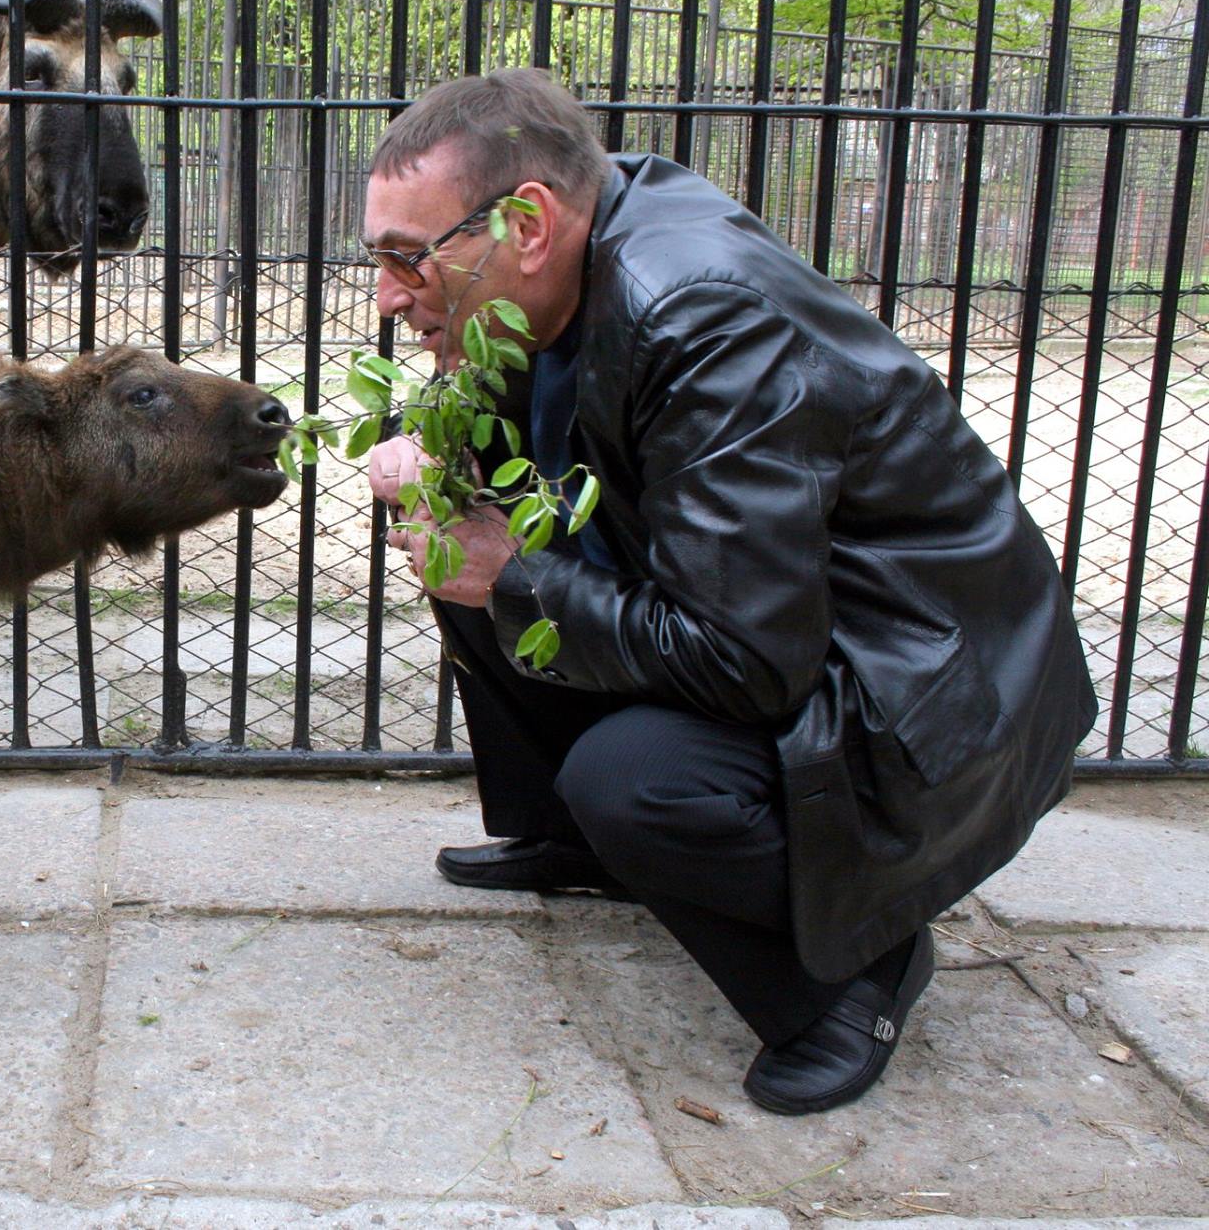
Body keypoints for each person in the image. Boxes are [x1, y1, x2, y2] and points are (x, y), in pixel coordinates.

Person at [361, 68, 1096, 1115]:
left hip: (931, 687)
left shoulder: (700, 312)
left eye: (406, 258)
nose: (389, 296)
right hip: (794, 622)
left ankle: (852, 972)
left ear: (524, 223)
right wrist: (450, 479)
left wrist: (507, 573)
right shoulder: (562, 267)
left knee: (633, 775)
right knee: (464, 543)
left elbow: (745, 661)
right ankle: (579, 846)